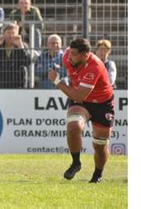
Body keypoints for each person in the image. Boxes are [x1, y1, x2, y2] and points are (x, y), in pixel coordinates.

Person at [48, 38, 114, 183]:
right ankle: (76, 163)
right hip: (82, 101)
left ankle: (97, 175)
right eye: (69, 52)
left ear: (85, 55)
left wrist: (57, 82)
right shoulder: (67, 57)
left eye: (74, 54)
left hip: (102, 103)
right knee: (73, 126)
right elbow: (79, 97)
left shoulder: (94, 66)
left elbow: (77, 95)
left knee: (100, 145)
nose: (69, 57)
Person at [0, 23, 31, 88]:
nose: (10, 35)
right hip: (2, 81)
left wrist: (21, 47)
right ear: (3, 34)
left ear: (17, 34)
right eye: (8, 33)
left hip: (19, 82)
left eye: (13, 33)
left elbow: (27, 62)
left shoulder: (23, 46)